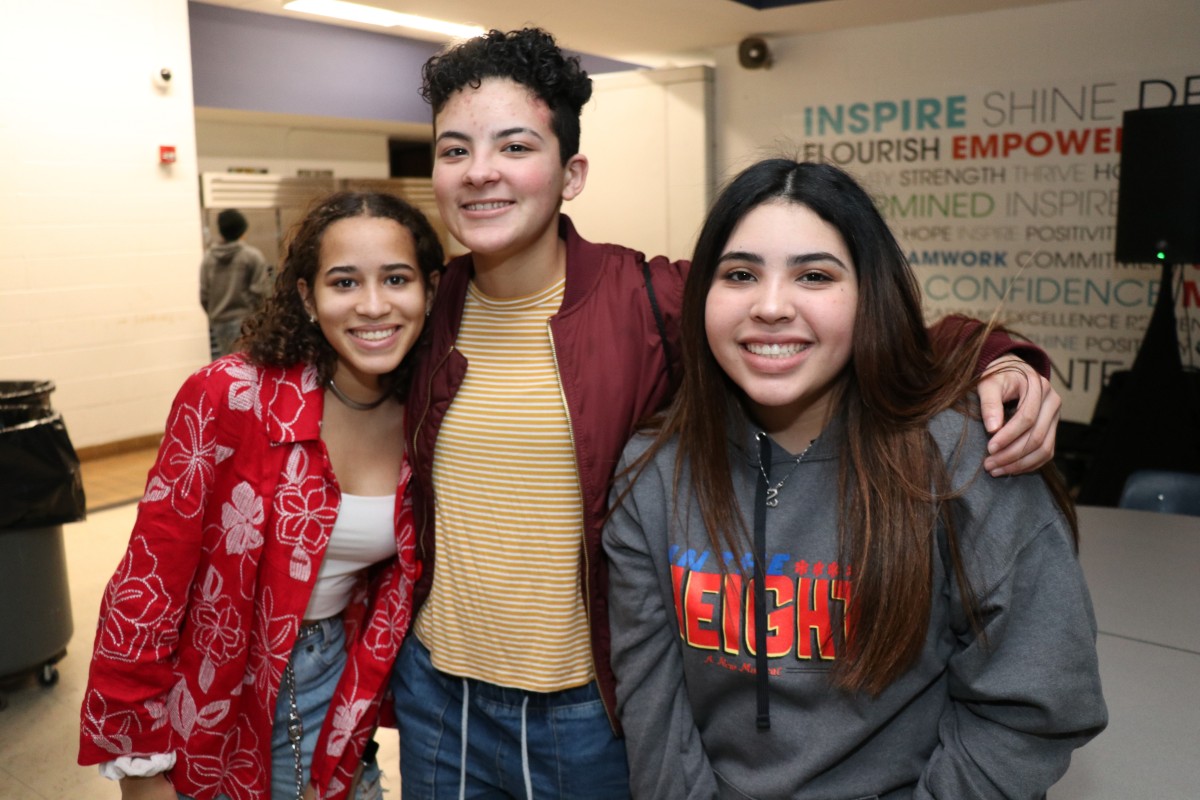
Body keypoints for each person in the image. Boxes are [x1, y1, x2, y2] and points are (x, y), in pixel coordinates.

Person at [394, 27, 1066, 799]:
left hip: (590, 711)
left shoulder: (651, 299)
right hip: (440, 692)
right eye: (453, 151)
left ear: (570, 173)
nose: (481, 173)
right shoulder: (424, 308)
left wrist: (1006, 360)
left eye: (515, 147)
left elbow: (858, 330)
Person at [603, 159, 1108, 799]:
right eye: (740, 275)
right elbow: (655, 707)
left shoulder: (962, 463)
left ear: (870, 295)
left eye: (814, 275)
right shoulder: (653, 470)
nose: (771, 306)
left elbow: (1037, 702)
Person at [79, 191, 444, 800]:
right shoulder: (230, 397)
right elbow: (147, 584)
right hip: (216, 692)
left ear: (429, 291)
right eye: (345, 281)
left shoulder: (425, 413)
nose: (374, 305)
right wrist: (139, 765)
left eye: (397, 278)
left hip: (339, 693)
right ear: (307, 296)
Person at [201, 208, 274, 360]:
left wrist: (215, 315)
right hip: (246, 321)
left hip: (219, 323)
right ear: (242, 230)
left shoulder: (208, 258)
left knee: (228, 365)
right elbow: (260, 292)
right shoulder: (251, 256)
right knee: (250, 364)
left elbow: (204, 294)